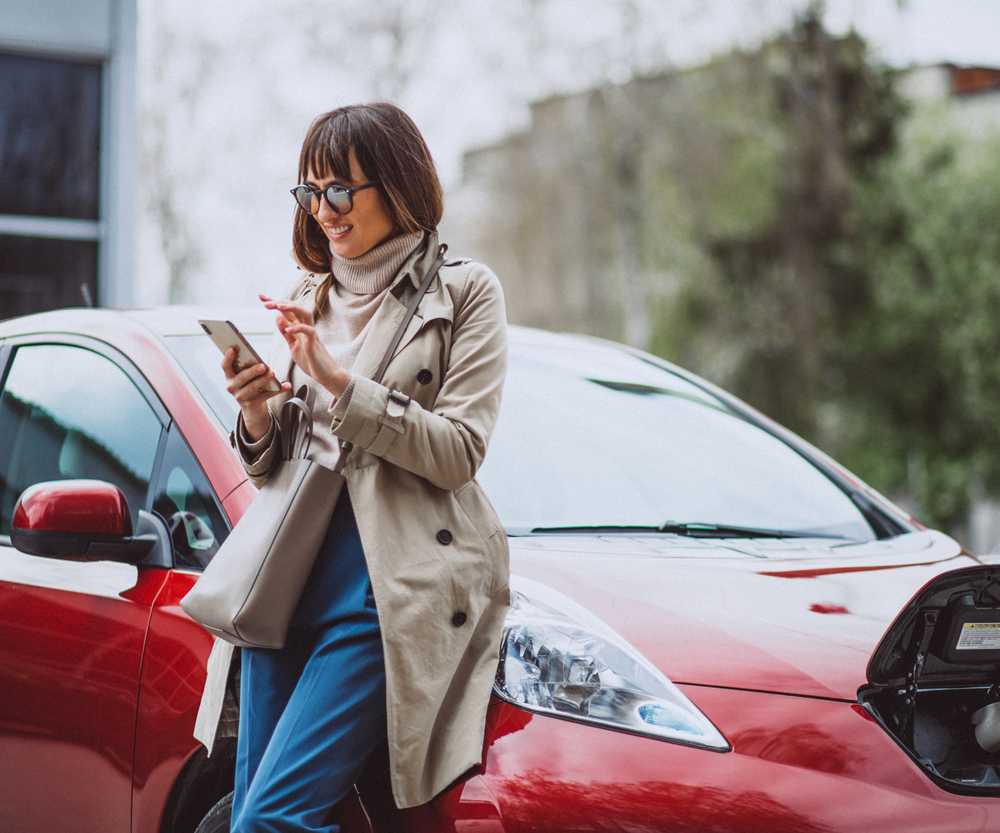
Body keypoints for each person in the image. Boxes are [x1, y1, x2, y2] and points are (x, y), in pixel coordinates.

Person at [206, 102, 510, 832]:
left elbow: (460, 451)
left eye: (341, 190)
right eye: (311, 192)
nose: (324, 211)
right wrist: (255, 410)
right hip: (284, 577)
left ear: (398, 185)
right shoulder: (312, 295)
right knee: (251, 811)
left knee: (270, 820)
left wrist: (339, 380)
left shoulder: (465, 291)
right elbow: (278, 464)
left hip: (382, 581)